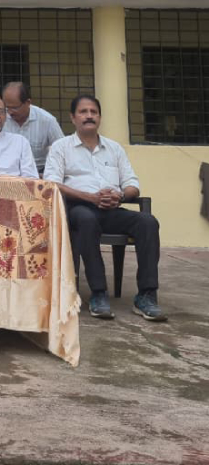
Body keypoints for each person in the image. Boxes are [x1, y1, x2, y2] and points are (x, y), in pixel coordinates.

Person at [44, 95, 166, 322]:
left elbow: (132, 184)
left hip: (111, 209)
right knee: (86, 220)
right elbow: (52, 184)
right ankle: (98, 293)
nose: (89, 116)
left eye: (93, 112)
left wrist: (119, 195)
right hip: (78, 209)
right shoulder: (61, 147)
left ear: (99, 117)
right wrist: (89, 197)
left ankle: (147, 296)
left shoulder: (114, 148)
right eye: (83, 111)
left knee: (148, 222)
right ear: (73, 117)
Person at [2, 82, 64, 176]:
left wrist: (49, 174)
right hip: (6, 173)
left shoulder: (47, 120)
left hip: (39, 173)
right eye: (7, 107)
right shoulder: (0, 119)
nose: (10, 112)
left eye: (14, 108)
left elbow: (63, 151)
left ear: (28, 103)